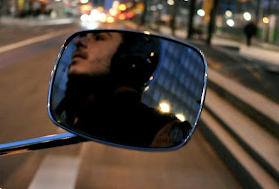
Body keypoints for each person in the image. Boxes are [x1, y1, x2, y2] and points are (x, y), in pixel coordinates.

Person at [54, 31, 191, 148]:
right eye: (83, 37)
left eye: (99, 38)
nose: (79, 41)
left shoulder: (154, 126)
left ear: (127, 59)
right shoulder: (72, 107)